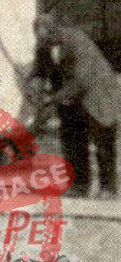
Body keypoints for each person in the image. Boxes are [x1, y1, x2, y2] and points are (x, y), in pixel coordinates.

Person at [36, 13, 121, 198]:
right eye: (40, 37)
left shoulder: (77, 40)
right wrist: (37, 92)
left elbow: (82, 79)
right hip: (71, 97)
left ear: (55, 30)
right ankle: (79, 185)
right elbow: (40, 71)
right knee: (73, 140)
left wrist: (54, 98)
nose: (43, 41)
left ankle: (108, 187)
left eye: (47, 36)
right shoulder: (44, 45)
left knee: (103, 140)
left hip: (97, 92)